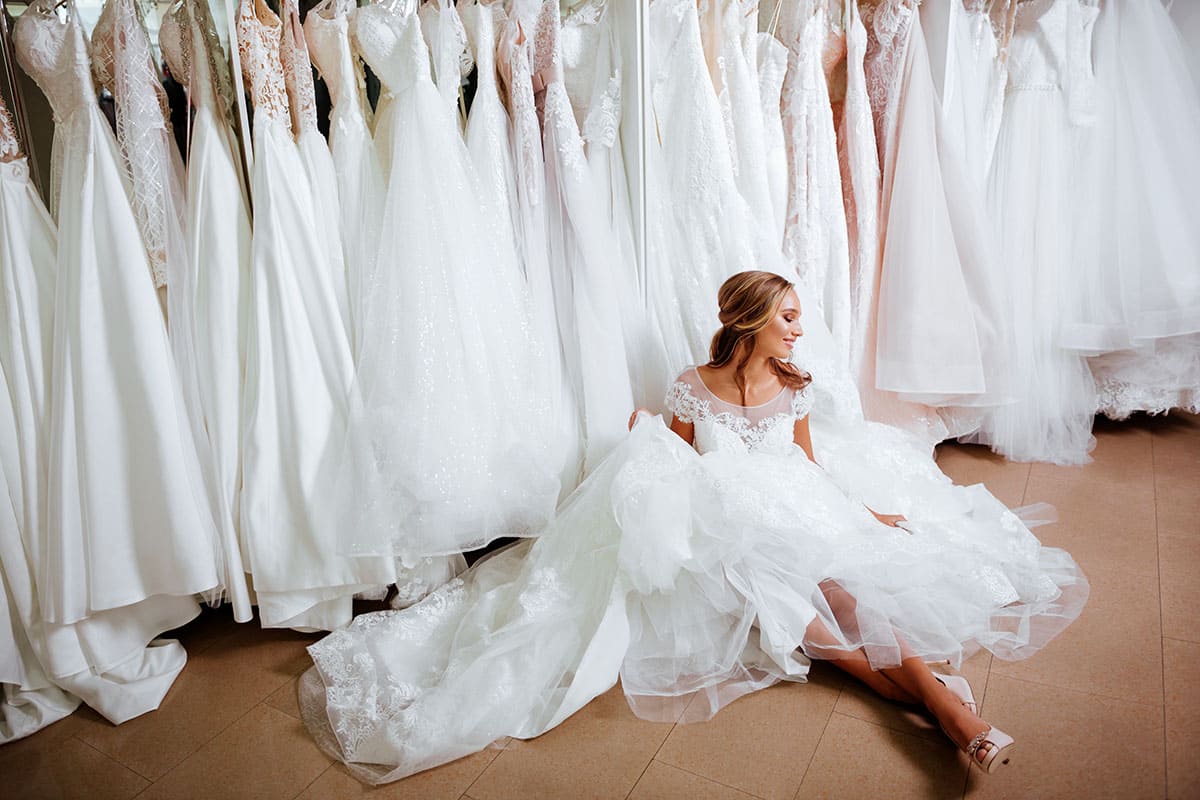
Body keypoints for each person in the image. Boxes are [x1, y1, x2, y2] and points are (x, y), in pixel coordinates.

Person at [300, 270, 1088, 784]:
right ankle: (944, 708)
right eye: (788, 318)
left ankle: (951, 714)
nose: (798, 332)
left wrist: (859, 511)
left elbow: (808, 468)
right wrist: (648, 440)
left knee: (844, 593)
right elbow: (671, 474)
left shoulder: (797, 387)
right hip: (728, 529)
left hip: (796, 511)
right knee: (808, 620)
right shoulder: (691, 389)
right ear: (750, 321)